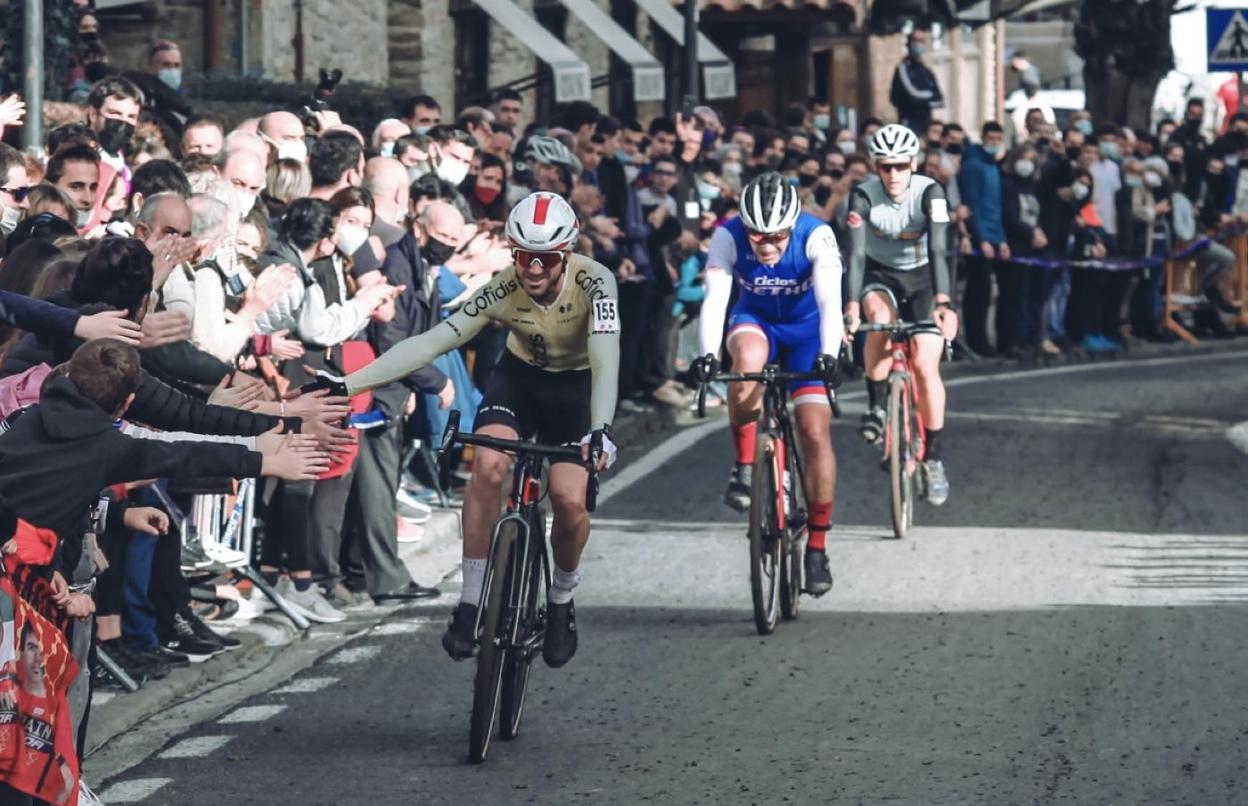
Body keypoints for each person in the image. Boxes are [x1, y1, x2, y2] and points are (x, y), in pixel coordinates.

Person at [317, 192, 620, 669]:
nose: (533, 270)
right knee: (487, 465)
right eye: (522, 256)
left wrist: (600, 428)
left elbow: (605, 359)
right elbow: (430, 343)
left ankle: (561, 599)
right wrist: (349, 383)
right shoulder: (504, 286)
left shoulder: (596, 284)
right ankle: (472, 601)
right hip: (520, 381)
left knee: (566, 498)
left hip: (578, 392)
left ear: (566, 254)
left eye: (544, 259)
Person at [695, 172, 845, 595]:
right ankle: (744, 466)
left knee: (814, 431)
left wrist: (829, 354)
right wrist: (707, 355)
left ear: (793, 226)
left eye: (777, 236)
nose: (767, 245)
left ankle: (816, 545)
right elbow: (716, 298)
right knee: (745, 363)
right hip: (756, 321)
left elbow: (830, 300)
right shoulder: (727, 236)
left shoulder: (817, 235)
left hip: (807, 331)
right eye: (757, 236)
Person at [844, 124, 957, 506]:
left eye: (901, 166)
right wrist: (851, 307)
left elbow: (940, 249)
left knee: (926, 365)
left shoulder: (932, 193)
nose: (893, 175)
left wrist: (943, 303)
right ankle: (877, 404)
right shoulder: (862, 196)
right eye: (885, 166)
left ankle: (935, 457)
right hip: (880, 273)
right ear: (876, 166)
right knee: (877, 316)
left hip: (925, 277)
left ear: (914, 163)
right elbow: (856, 255)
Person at [890, 30, 944, 133]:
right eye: (916, 40)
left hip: (926, 122)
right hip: (909, 122)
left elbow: (940, 99)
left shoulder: (927, 71)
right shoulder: (904, 68)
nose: (919, 44)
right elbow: (912, 94)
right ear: (909, 43)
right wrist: (929, 95)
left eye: (922, 41)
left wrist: (925, 100)